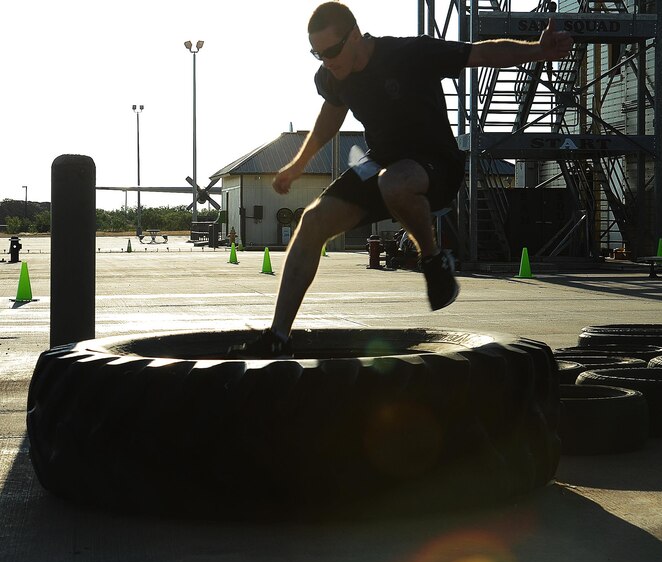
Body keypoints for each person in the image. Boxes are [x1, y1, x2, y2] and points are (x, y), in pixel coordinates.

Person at [232, 1, 572, 356]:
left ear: (355, 35)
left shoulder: (410, 53)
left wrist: (537, 50)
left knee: (394, 182)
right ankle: (278, 336)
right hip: (381, 164)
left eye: (331, 50)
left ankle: (433, 259)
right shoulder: (333, 76)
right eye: (317, 53)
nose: (327, 61)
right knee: (312, 220)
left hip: (436, 163)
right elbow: (330, 117)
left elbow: (480, 53)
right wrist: (298, 163)